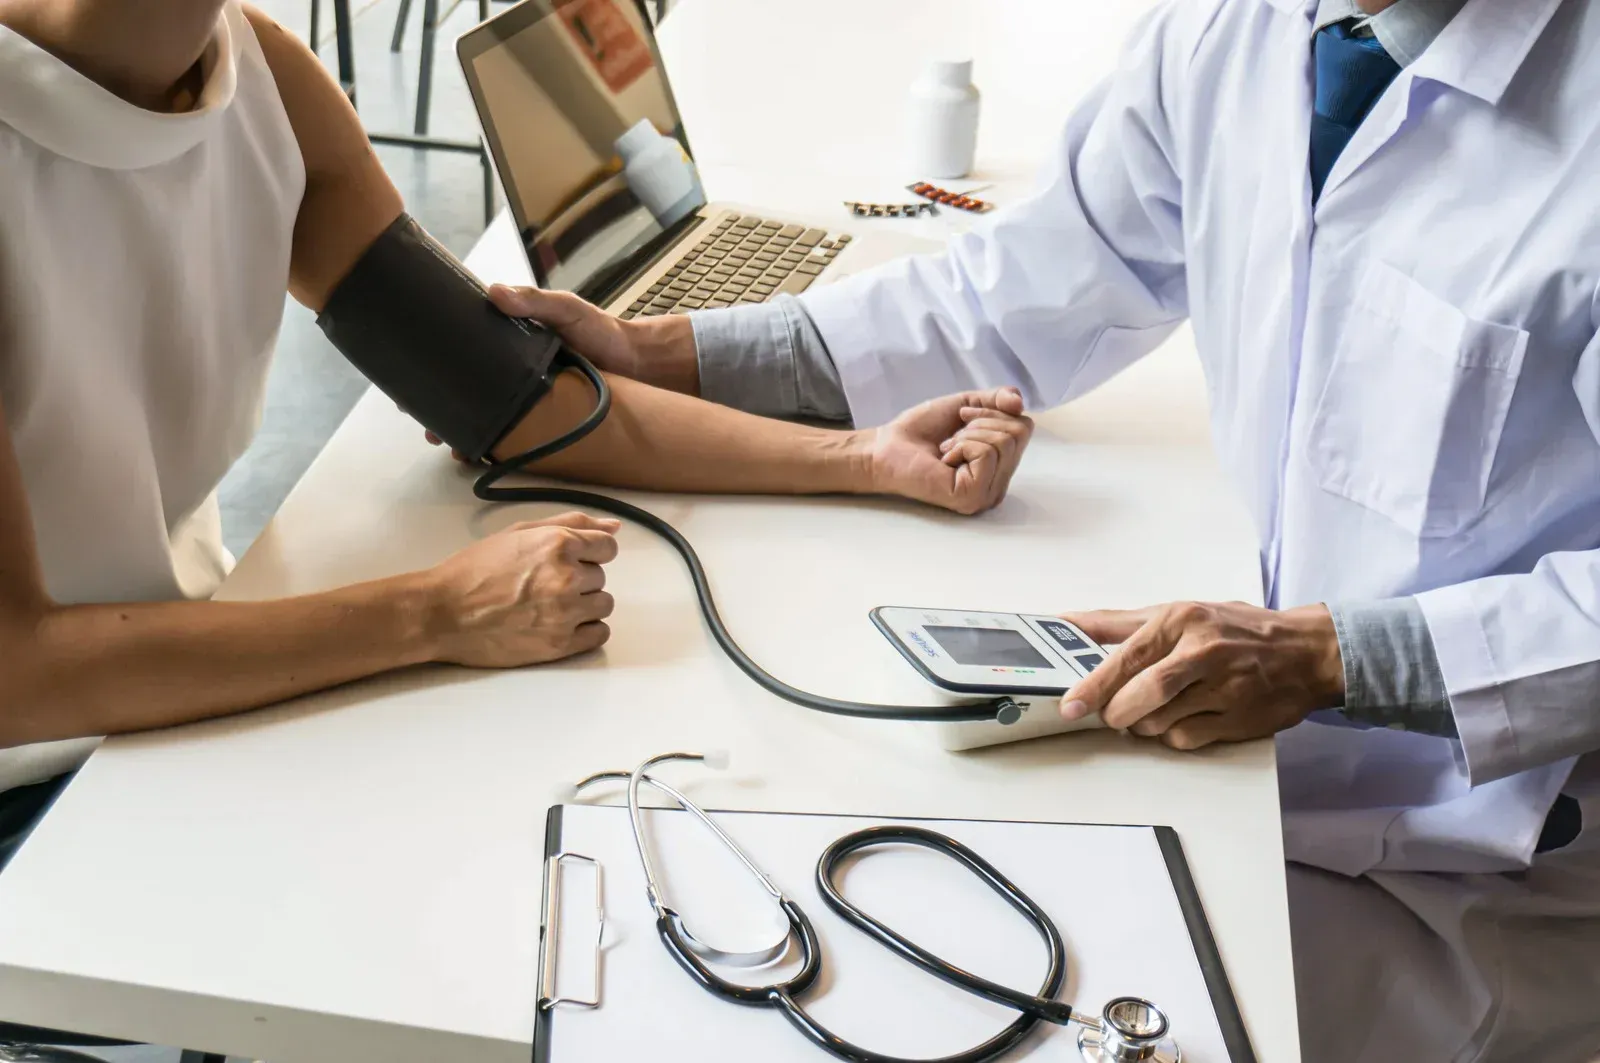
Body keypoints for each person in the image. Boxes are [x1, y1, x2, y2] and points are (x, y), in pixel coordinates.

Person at [504, 0, 1600, 1059]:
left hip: (1487, 874)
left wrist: (1335, 657)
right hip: (1275, 777)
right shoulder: (1238, 31)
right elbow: (1015, 294)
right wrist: (655, 356)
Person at [0, 0, 1036, 871]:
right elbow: (19, 674)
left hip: (181, 679)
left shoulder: (259, 73)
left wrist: (862, 459)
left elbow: (515, 400)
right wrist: (434, 611)